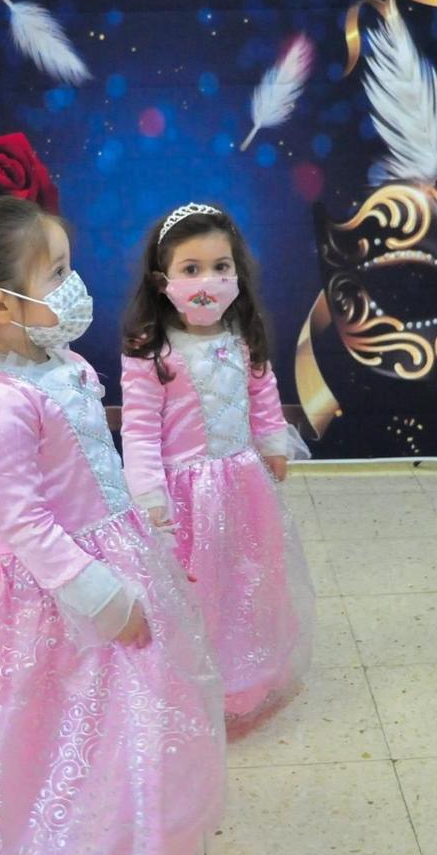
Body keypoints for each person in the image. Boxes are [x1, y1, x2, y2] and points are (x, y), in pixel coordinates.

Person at [0, 196, 224, 855]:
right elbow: (27, 526)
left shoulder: (55, 360)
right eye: (57, 272)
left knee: (123, 719)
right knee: (37, 728)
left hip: (109, 552)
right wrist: (102, 596)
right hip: (47, 595)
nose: (73, 285)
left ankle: (133, 847)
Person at [119, 202, 315, 721]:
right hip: (186, 499)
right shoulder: (152, 351)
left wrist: (273, 442)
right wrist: (149, 496)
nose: (209, 279)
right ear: (164, 281)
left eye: (221, 267)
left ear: (237, 272)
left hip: (242, 483)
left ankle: (243, 672)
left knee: (245, 575)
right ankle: (190, 678)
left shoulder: (242, 334)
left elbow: (263, 392)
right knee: (195, 586)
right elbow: (138, 432)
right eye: (191, 269)